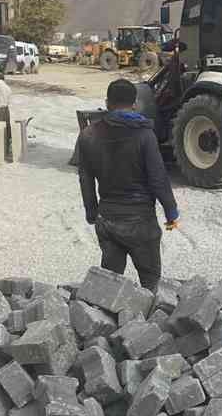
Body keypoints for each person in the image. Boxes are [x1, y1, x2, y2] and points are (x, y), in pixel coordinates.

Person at [77, 77, 180, 290]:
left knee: (109, 286)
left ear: (107, 103)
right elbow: (158, 178)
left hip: (107, 221)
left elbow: (85, 177)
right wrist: (171, 213)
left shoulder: (88, 135)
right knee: (150, 284)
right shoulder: (144, 134)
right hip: (140, 222)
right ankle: (148, 321)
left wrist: (91, 212)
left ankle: (105, 321)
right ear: (135, 105)